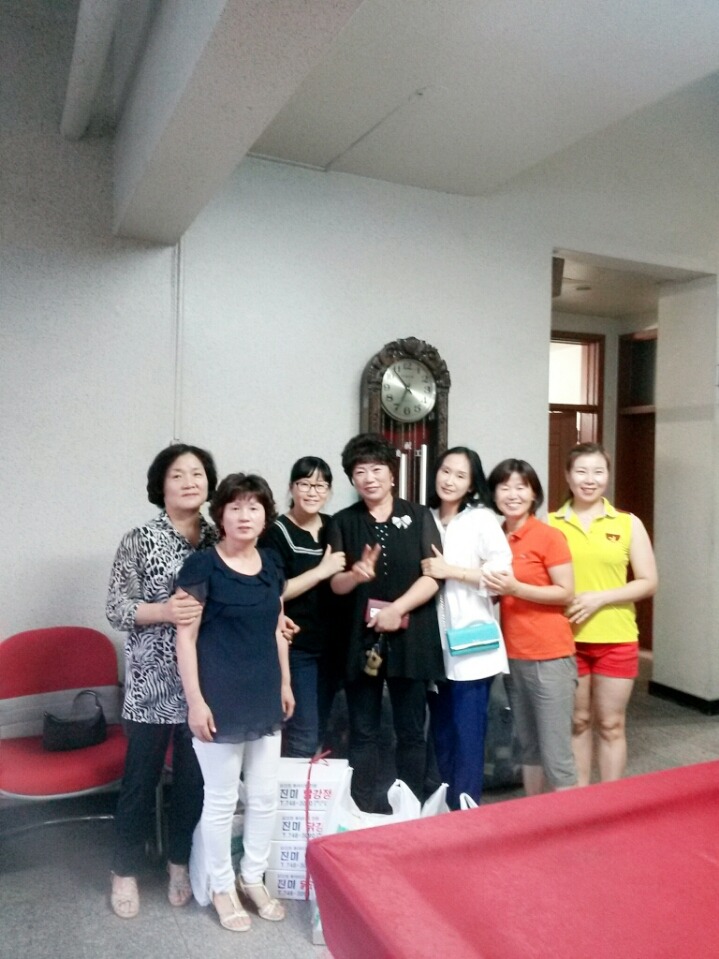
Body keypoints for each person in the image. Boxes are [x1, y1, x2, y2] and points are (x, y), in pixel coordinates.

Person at [175, 473, 294, 932]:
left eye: (254, 507)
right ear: (220, 515)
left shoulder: (271, 563)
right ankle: (222, 886)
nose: (245, 516)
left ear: (266, 516)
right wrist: (195, 702)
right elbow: (185, 639)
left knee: (264, 797)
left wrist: (285, 683)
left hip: (264, 692)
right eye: (236, 507)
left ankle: (252, 877)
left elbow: (278, 627)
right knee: (222, 799)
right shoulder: (202, 566)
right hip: (219, 698)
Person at [106, 442, 218, 919]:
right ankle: (124, 870)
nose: (190, 481)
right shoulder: (139, 539)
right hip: (152, 682)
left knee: (193, 780)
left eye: (197, 473)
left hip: (207, 682)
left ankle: (178, 862)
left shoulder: (220, 536)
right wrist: (163, 611)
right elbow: (116, 608)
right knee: (141, 779)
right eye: (178, 475)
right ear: (161, 486)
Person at [327, 433, 444, 812]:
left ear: (392, 474)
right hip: (362, 640)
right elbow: (335, 583)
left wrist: (398, 609)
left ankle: (410, 810)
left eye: (376, 469)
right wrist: (355, 575)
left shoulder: (420, 516)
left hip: (413, 638)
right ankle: (362, 811)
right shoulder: (343, 522)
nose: (369, 478)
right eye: (360, 471)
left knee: (411, 731)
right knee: (363, 732)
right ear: (352, 479)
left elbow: (433, 576)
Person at [548, 442, 657, 785]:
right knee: (578, 722)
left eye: (598, 471)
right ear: (568, 476)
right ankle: (581, 801)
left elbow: (648, 581)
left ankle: (612, 801)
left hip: (617, 638)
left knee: (611, 724)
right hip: (565, 640)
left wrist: (600, 598)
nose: (589, 479)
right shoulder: (550, 524)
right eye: (581, 471)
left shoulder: (627, 523)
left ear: (607, 476)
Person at [420, 447, 513, 808]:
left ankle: (466, 811)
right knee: (441, 733)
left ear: (472, 484)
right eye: (445, 471)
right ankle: (445, 807)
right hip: (432, 645)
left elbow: (502, 575)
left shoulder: (481, 520)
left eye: (460, 475)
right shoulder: (425, 516)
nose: (450, 480)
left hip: (472, 646)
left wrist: (452, 571)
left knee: (467, 735)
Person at [485, 458, 577, 795]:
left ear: (534, 493)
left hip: (550, 657)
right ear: (494, 494)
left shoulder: (549, 536)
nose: (513, 494)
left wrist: (516, 588)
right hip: (512, 657)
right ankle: (535, 817)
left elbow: (565, 592)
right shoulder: (493, 537)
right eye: (504, 487)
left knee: (556, 755)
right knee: (529, 748)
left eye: (521, 487)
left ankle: (574, 822)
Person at [260, 456, 346, 758]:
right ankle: (291, 788)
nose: (312, 492)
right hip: (297, 646)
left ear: (329, 491)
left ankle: (311, 785)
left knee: (324, 727)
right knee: (303, 730)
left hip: (333, 645)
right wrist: (321, 571)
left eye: (320, 486)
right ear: (291, 488)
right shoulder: (275, 532)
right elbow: (275, 591)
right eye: (305, 484)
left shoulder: (334, 526)